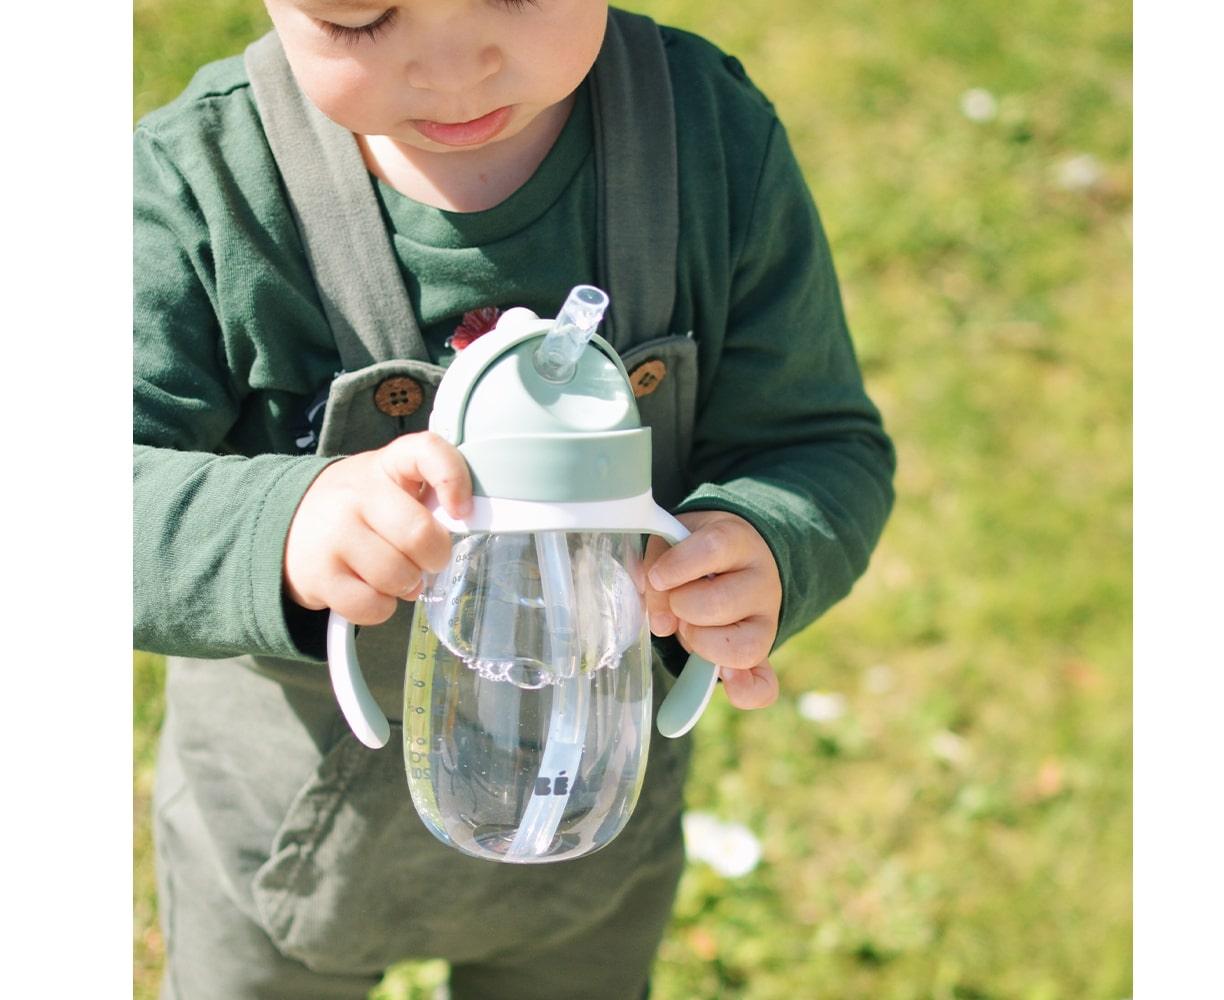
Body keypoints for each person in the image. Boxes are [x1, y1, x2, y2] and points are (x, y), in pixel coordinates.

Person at [133, 1, 896, 998]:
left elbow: (818, 444)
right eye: (361, 17)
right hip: (281, 841)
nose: (455, 70)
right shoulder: (204, 185)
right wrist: (286, 525)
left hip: (592, 827)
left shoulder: (706, 143)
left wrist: (768, 541)